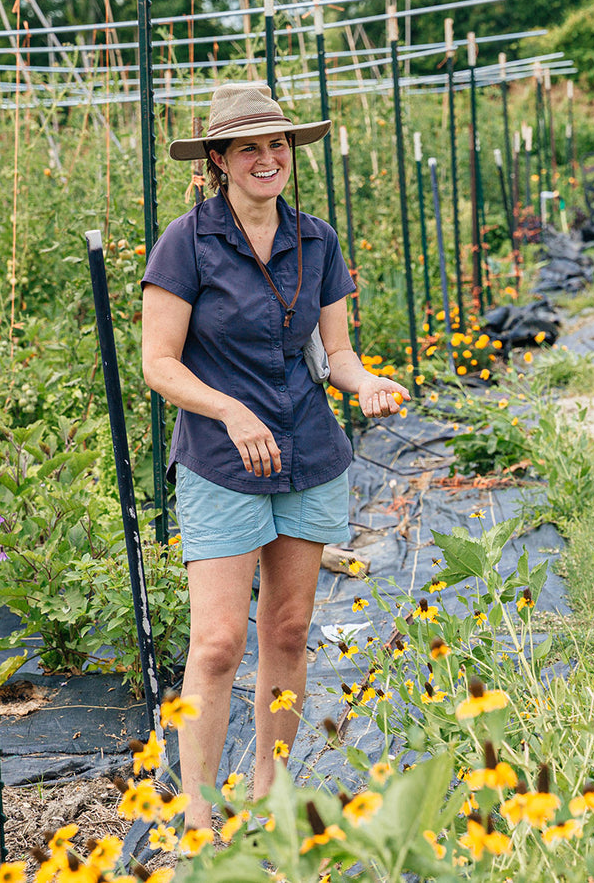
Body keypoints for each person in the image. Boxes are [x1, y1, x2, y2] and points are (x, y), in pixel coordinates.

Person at [141, 82, 408, 829]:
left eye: (278, 144)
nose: (268, 158)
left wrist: (365, 383)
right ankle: (198, 817)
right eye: (249, 147)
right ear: (219, 161)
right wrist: (231, 411)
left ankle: (271, 795)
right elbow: (159, 364)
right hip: (222, 459)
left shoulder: (315, 240)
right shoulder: (186, 243)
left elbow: (337, 353)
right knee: (217, 643)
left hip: (307, 452)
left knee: (288, 632)